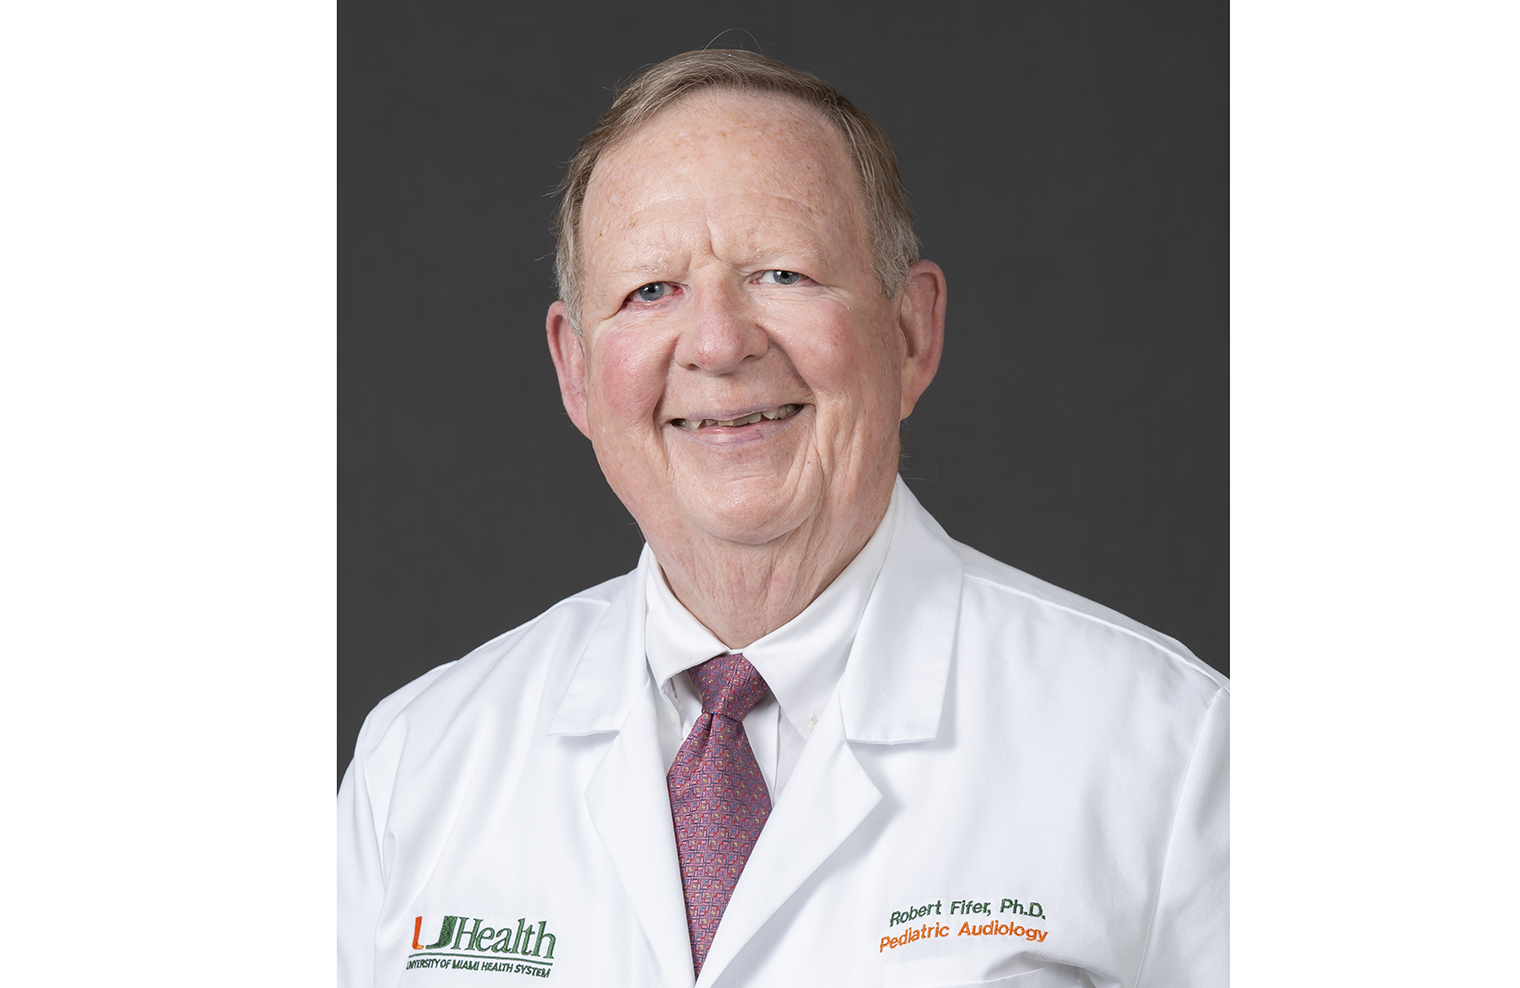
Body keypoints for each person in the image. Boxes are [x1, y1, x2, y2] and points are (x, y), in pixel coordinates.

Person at [338, 49, 1228, 988]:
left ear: (910, 331)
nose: (719, 343)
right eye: (651, 291)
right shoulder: (417, 766)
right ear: (575, 370)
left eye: (782, 273)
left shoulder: (1170, 754)